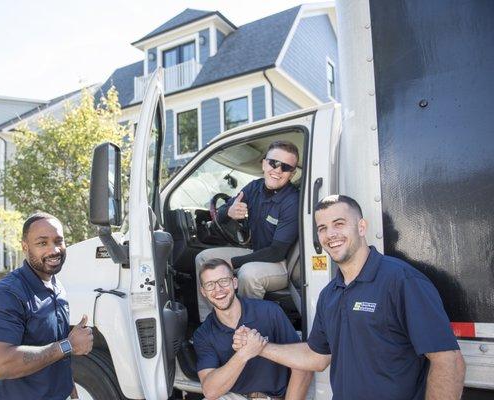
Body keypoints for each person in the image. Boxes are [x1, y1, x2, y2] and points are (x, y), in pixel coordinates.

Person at [233, 195, 466, 400]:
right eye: (322, 228)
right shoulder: (330, 294)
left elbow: (448, 361)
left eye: (339, 224)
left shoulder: (401, 281)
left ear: (362, 227)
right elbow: (317, 357)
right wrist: (259, 348)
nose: (330, 234)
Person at [0, 212, 94, 400]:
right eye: (42, 243)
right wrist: (69, 345)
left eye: (58, 241)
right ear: (25, 247)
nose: (54, 250)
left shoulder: (57, 285)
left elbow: (57, 352)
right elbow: (2, 365)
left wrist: (70, 389)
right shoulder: (7, 295)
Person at [196, 140, 300, 321]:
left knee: (248, 274)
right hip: (256, 252)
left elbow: (277, 252)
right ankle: (210, 322)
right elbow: (219, 216)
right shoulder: (254, 188)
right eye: (273, 163)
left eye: (285, 167)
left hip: (283, 264)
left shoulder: (292, 201)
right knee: (204, 258)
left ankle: (244, 327)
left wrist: (234, 262)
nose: (277, 170)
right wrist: (228, 212)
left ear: (292, 174)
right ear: (264, 163)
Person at [193, 258, 311, 400]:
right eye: (210, 285)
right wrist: (244, 353)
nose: (218, 289)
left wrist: (262, 347)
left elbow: (303, 364)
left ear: (234, 282)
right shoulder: (203, 333)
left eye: (223, 281)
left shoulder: (269, 311)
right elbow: (210, 391)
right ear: (203, 291)